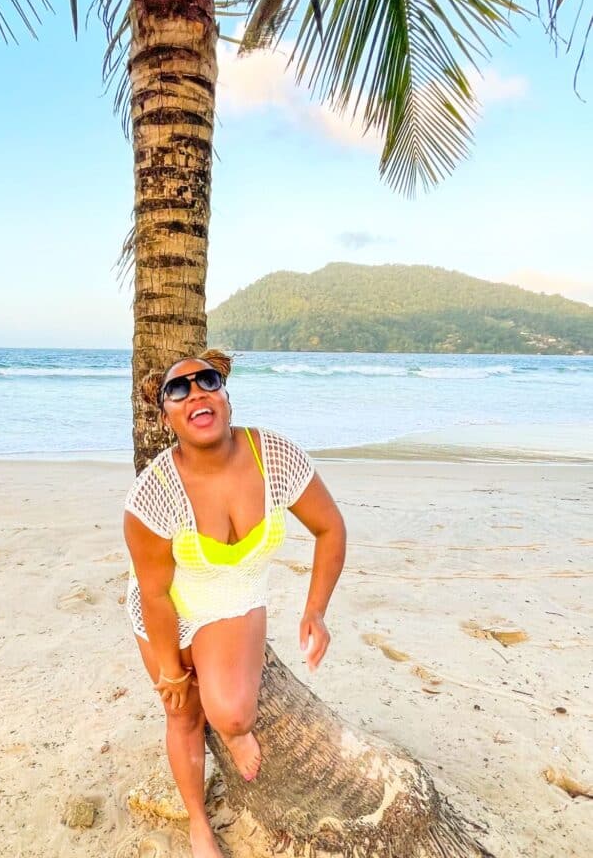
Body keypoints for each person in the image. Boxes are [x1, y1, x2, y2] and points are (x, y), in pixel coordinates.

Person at [123, 350, 347, 858]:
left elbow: (330, 527)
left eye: (208, 381)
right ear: (166, 418)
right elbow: (155, 594)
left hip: (236, 599)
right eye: (178, 390)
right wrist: (173, 672)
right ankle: (200, 826)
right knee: (182, 713)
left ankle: (231, 728)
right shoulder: (152, 496)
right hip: (168, 609)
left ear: (225, 398)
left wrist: (315, 611)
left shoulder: (275, 456)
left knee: (233, 715)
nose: (196, 392)